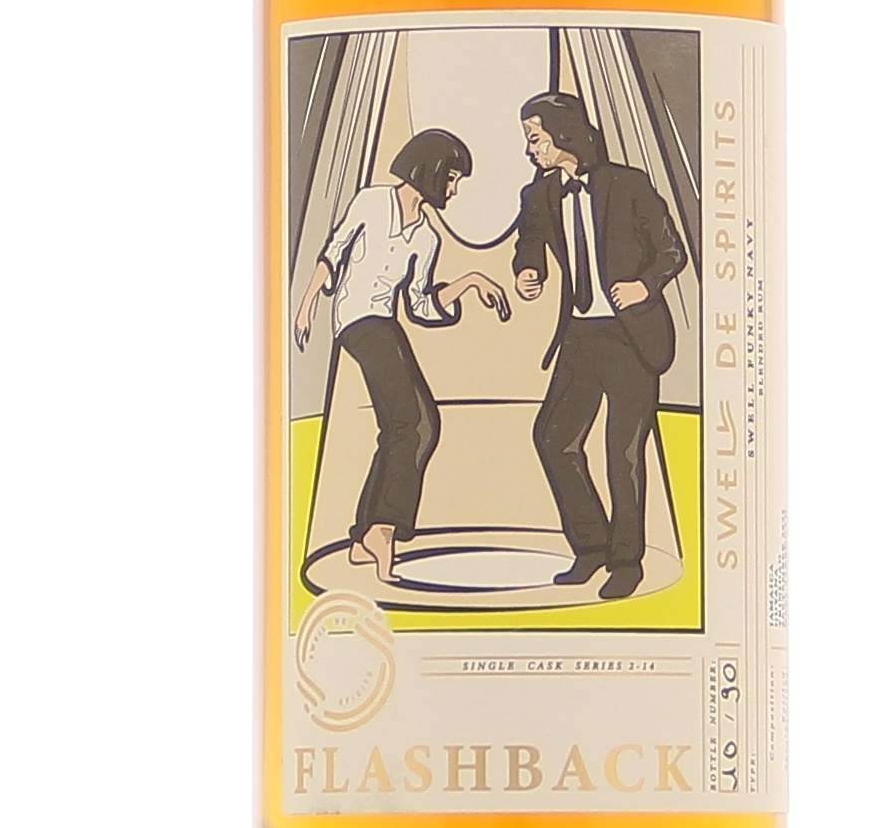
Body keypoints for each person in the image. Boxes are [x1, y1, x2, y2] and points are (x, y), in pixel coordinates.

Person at [294, 129, 512, 583]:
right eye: (451, 178)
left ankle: (365, 536)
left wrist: (470, 282)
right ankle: (382, 530)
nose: (454, 189)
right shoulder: (372, 202)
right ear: (429, 170)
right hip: (357, 319)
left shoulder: (427, 238)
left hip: (385, 323)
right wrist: (308, 302)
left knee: (407, 425)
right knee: (414, 424)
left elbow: (421, 306)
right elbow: (333, 251)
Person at [513, 92, 686, 600]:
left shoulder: (628, 185)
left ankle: (626, 562)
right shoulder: (540, 194)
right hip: (580, 335)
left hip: (632, 336)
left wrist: (643, 287)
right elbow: (530, 241)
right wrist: (528, 270)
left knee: (622, 452)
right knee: (553, 439)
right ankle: (591, 547)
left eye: (535, 139)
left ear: (564, 134)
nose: (530, 150)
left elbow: (671, 251)